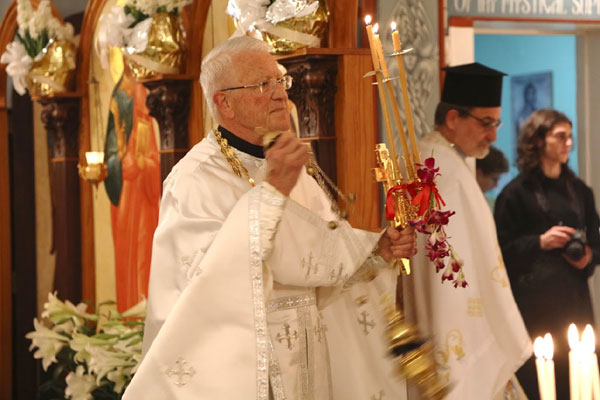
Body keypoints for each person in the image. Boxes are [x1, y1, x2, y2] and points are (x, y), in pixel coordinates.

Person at [123, 36, 417, 399]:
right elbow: (206, 285)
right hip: (251, 367)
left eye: (281, 81)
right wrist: (272, 191)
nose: (280, 94)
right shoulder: (194, 180)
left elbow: (318, 256)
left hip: (311, 356)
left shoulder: (289, 165)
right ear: (224, 103)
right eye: (264, 84)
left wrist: (376, 249)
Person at [410, 62, 532, 399]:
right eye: (486, 123)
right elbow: (454, 282)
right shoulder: (446, 173)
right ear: (453, 119)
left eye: (497, 123)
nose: (494, 136)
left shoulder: (433, 159)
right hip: (458, 330)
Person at [494, 109, 600, 399]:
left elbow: (598, 240)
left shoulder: (580, 192)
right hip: (533, 307)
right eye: (560, 136)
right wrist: (540, 242)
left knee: (581, 380)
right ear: (539, 140)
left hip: (575, 301)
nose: (569, 143)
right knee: (538, 381)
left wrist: (588, 257)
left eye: (570, 136)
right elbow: (498, 253)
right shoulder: (515, 194)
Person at [103, 51, 161, 312]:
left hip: (143, 198)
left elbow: (152, 160)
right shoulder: (118, 97)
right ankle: (129, 314)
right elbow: (111, 150)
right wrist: (119, 162)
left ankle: (143, 314)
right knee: (127, 257)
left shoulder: (146, 115)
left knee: (143, 256)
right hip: (125, 197)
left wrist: (141, 165)